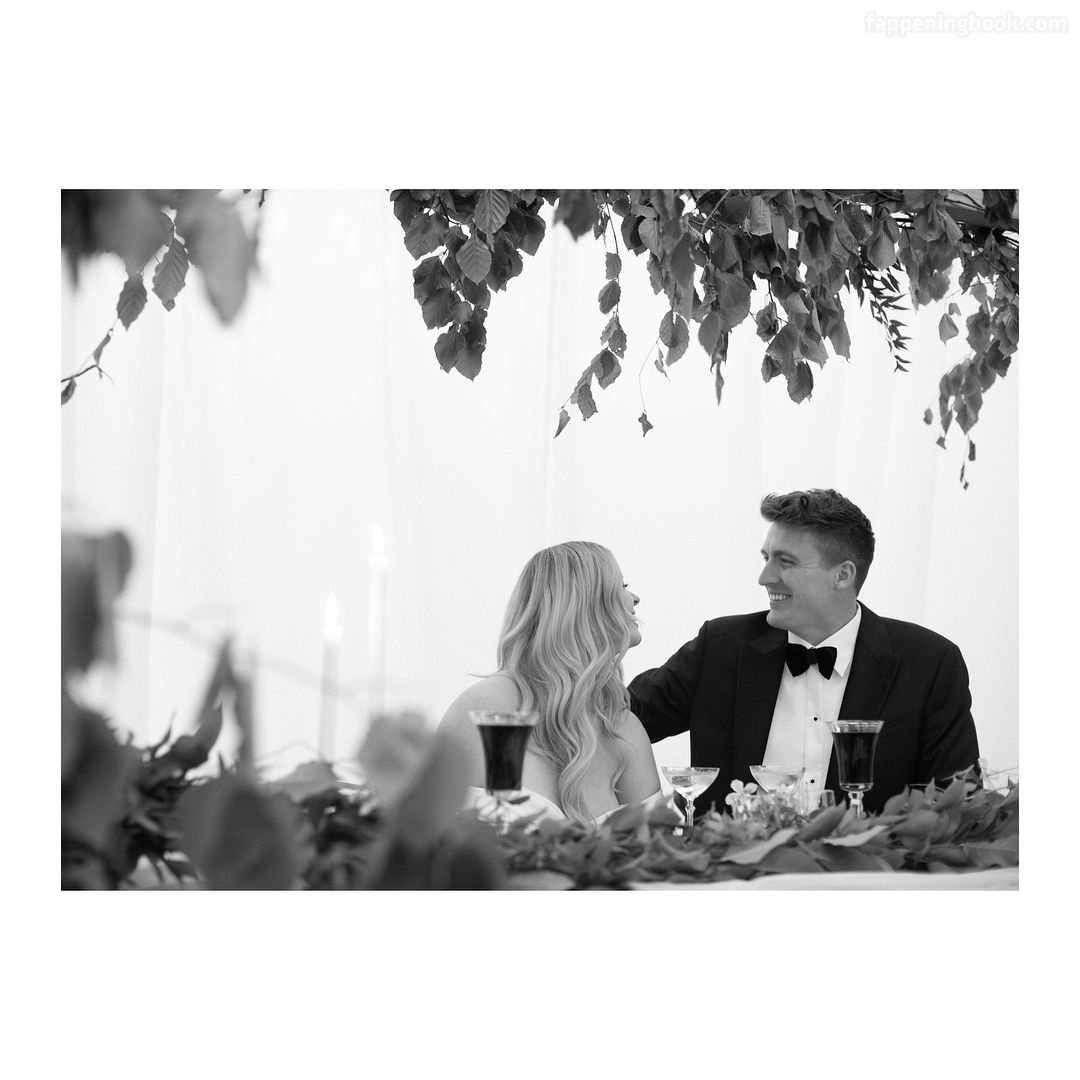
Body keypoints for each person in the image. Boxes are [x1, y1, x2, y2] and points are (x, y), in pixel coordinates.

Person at [628, 489, 981, 816]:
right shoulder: (721, 647)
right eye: (766, 558)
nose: (764, 577)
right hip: (731, 863)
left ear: (842, 575)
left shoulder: (929, 664)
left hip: (871, 863)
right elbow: (613, 718)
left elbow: (959, 803)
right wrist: (608, 630)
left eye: (785, 561)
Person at [438, 541, 662, 825]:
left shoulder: (621, 726)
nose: (635, 598)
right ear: (585, 600)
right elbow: (458, 834)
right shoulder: (499, 707)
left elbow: (658, 841)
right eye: (623, 585)